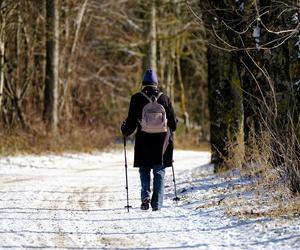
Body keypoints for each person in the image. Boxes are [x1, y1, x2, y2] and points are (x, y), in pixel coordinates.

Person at [121, 69, 177, 211]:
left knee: (144, 169)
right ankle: (157, 204)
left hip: (143, 141)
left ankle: (145, 196)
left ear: (143, 84)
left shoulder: (136, 98)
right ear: (156, 84)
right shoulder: (165, 98)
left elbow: (131, 124)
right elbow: (173, 125)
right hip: (162, 142)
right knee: (159, 171)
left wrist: (124, 129)